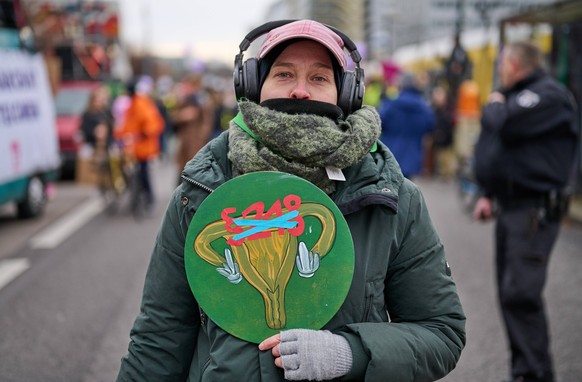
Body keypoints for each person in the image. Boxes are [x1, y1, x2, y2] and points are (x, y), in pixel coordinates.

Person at [117, 19, 465, 381]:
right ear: (253, 85)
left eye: (318, 78)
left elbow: (441, 331)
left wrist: (351, 352)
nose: (300, 91)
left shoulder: (392, 199)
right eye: (284, 74)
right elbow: (158, 341)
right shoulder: (200, 192)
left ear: (345, 94)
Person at [472, 41, 579, 382]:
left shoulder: (549, 95)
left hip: (534, 210)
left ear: (515, 64)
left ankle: (535, 374)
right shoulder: (517, 95)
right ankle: (524, 371)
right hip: (511, 207)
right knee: (509, 294)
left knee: (521, 294)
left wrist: (495, 106)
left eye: (502, 64)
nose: (499, 72)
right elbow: (499, 146)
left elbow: (503, 124)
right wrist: (489, 192)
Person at [115, 78, 164, 212]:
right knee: (135, 171)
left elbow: (153, 123)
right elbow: (128, 125)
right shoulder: (134, 104)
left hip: (143, 146)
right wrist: (118, 135)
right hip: (134, 147)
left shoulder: (140, 104)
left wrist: (144, 133)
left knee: (143, 173)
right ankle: (139, 198)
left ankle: (149, 200)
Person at [378, 71, 436, 179]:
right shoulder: (424, 107)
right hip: (413, 153)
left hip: (391, 151)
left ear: (401, 85)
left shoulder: (391, 104)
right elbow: (430, 125)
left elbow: (380, 122)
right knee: (407, 187)